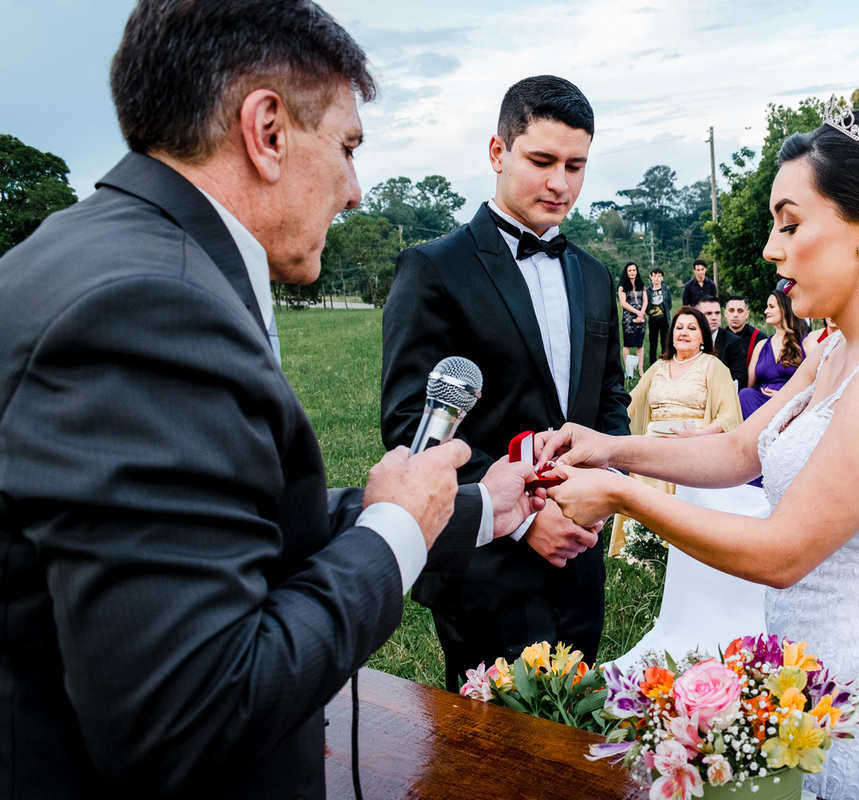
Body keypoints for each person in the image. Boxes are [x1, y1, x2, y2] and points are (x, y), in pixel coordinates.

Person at [0, 3, 542, 797]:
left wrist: (474, 509)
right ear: (268, 130)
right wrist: (392, 532)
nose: (356, 192)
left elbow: (207, 526)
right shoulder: (153, 310)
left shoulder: (64, 250)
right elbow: (192, 715)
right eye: (348, 147)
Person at [537, 101, 859, 800]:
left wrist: (624, 497)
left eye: (790, 222)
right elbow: (743, 449)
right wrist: (611, 449)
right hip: (803, 673)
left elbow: (784, 551)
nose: (772, 249)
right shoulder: (838, 346)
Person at [380, 75, 631, 692]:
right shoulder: (434, 268)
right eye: (541, 160)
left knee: (572, 744)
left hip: (579, 558)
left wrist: (597, 495)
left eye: (576, 166)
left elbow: (609, 404)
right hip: (487, 565)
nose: (560, 183)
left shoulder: (595, 277)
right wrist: (520, 520)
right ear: (498, 152)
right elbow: (413, 421)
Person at [608, 307, 742, 557]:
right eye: (679, 327)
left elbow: (729, 416)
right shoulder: (658, 366)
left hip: (693, 441)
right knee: (641, 458)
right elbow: (630, 402)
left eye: (692, 328)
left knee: (669, 461)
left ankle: (675, 546)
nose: (684, 333)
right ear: (671, 335)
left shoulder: (713, 367)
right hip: (652, 440)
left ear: (703, 336)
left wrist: (699, 436)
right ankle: (639, 547)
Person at [740, 289, 808, 418]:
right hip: (763, 402)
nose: (766, 311)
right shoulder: (761, 345)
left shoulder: (805, 342)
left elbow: (819, 382)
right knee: (745, 394)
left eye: (771, 307)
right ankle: (754, 435)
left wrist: (787, 396)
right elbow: (749, 384)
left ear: (785, 309)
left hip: (792, 402)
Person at [697, 297, 749, 388]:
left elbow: (740, 378)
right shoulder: (690, 339)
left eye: (717, 313)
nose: (714, 318)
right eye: (709, 313)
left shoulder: (733, 342)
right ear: (698, 316)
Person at [618, 261, 647, 378]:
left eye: (634, 270)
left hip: (641, 317)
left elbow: (645, 300)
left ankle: (640, 369)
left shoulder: (641, 284)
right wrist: (637, 312)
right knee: (627, 344)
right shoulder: (622, 286)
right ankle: (629, 371)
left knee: (640, 344)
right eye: (630, 270)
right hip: (628, 318)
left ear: (637, 271)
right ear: (626, 272)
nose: (632, 272)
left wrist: (642, 313)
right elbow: (623, 303)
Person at [645, 266, 672, 363]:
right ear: (651, 277)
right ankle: (652, 363)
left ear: (662, 278)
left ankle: (665, 362)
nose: (656, 278)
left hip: (664, 319)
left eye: (659, 276)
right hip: (653, 320)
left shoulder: (666, 289)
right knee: (653, 343)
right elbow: (646, 304)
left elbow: (669, 304)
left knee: (665, 342)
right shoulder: (648, 290)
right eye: (654, 276)